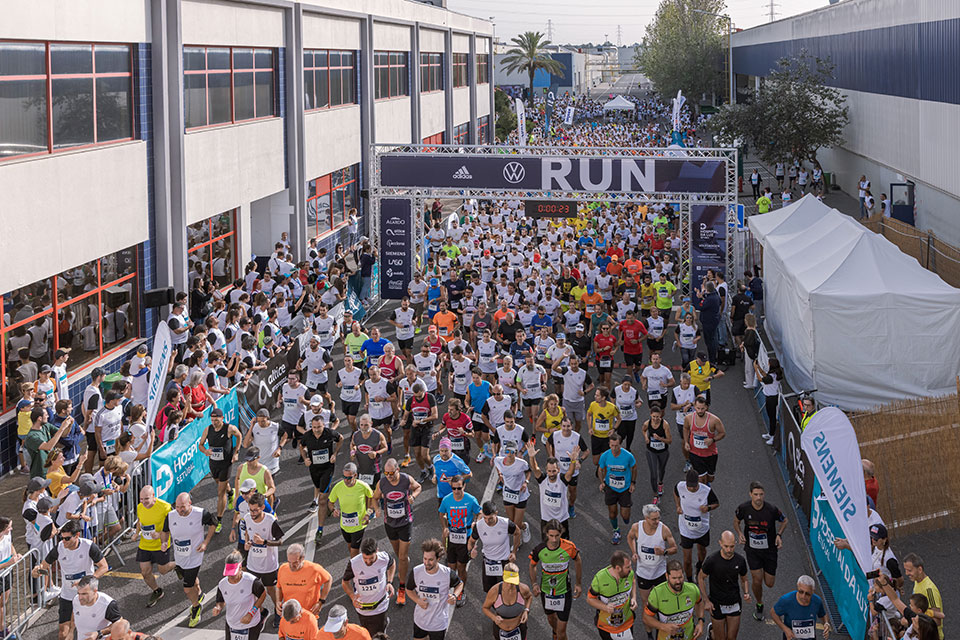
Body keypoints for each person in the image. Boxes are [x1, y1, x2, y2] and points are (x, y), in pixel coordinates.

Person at [34, 518, 110, 640]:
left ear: (77, 535)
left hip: (87, 595)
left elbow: (104, 566)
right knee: (63, 633)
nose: (64, 541)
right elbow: (44, 564)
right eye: (62, 538)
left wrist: (87, 582)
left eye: (67, 538)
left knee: (88, 633)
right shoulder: (59, 548)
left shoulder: (89, 546)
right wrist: (37, 570)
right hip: (67, 595)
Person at [162, 492, 218, 627]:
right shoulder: (171, 516)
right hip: (180, 557)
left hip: (194, 557)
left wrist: (205, 542)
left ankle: (196, 606)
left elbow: (214, 523)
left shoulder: (200, 513)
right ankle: (199, 594)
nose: (180, 510)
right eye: (177, 506)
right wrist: (164, 542)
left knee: (187, 589)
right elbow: (165, 531)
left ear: (190, 504)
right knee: (191, 581)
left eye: (183, 507)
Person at [372, 458, 422, 608]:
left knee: (402, 556)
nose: (389, 476)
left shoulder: (406, 480)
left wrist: (413, 496)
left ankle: (402, 587)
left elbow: (418, 487)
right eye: (386, 473)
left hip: (405, 522)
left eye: (392, 473)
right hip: (390, 523)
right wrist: (377, 509)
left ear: (397, 470)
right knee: (397, 553)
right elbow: (375, 497)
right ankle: (403, 565)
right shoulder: (383, 483)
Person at [734, 481, 787, 621]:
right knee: (757, 580)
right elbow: (736, 521)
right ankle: (759, 603)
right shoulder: (743, 508)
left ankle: (764, 573)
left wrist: (779, 535)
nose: (758, 497)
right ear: (750, 494)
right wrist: (739, 533)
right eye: (756, 494)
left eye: (761, 494)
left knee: (769, 583)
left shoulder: (771, 509)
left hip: (769, 550)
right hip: (752, 550)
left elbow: (784, 520)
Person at [528, 519, 582, 640]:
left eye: (557, 535)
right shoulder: (540, 549)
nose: (554, 539)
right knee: (551, 620)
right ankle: (555, 632)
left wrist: (578, 583)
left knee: (562, 632)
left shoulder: (569, 546)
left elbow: (578, 560)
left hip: (564, 591)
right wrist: (534, 584)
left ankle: (558, 634)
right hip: (547, 592)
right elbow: (532, 565)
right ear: (546, 534)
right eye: (551, 536)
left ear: (561, 533)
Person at [242, 491, 285, 628]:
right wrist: (247, 543)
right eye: (250, 510)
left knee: (271, 590)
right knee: (252, 591)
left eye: (255, 510)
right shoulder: (247, 517)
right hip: (253, 563)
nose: (252, 513)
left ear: (261, 507)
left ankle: (278, 611)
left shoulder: (270, 521)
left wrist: (264, 542)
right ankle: (261, 612)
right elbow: (248, 531)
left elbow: (280, 541)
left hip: (269, 565)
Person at [405, 538, 463, 640]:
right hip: (420, 620)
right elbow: (409, 589)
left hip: (438, 624)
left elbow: (460, 584)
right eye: (425, 559)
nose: (427, 563)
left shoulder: (447, 573)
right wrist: (418, 600)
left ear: (438, 559)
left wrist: (455, 595)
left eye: (430, 560)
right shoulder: (416, 571)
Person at [197, 407, 243, 532]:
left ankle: (218, 520)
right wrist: (205, 451)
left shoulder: (229, 428)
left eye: (216, 420)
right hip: (213, 463)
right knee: (220, 484)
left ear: (222, 419)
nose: (214, 423)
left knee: (219, 492)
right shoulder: (208, 429)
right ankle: (231, 493)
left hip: (225, 464)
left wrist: (236, 452)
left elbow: (239, 436)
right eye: (212, 420)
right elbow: (200, 445)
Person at [698, 531, 750, 640]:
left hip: (734, 602)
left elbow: (744, 579)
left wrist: (746, 592)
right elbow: (700, 577)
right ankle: (712, 632)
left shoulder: (740, 560)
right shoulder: (712, 560)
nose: (729, 550)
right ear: (720, 543)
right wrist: (706, 600)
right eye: (726, 546)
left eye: (731, 546)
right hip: (717, 603)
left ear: (735, 544)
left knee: (731, 638)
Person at [438, 476, 481, 605]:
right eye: (454, 488)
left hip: (465, 536)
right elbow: (441, 513)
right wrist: (445, 527)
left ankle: (461, 592)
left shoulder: (470, 500)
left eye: (459, 488)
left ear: (464, 486)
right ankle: (453, 588)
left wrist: (475, 522)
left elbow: (480, 513)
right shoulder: (447, 500)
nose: (456, 491)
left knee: (461, 567)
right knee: (451, 567)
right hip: (452, 536)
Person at [341, 537, 395, 636]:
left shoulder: (384, 557)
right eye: (365, 558)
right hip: (363, 609)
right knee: (366, 633)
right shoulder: (354, 563)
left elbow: (392, 564)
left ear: (377, 551)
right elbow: (345, 582)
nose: (368, 562)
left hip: (380, 605)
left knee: (379, 634)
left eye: (371, 558)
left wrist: (389, 582)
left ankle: (383, 625)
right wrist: (352, 597)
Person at [674, 468, 719, 583]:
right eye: (690, 486)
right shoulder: (680, 486)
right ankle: (689, 581)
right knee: (687, 559)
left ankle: (699, 566)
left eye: (694, 486)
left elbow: (716, 503)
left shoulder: (706, 491)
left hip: (702, 529)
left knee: (702, 551)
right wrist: (678, 506)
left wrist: (708, 508)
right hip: (686, 529)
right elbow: (675, 493)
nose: (692, 488)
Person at [643, 559, 705, 640]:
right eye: (674, 578)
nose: (678, 581)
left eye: (680, 577)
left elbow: (699, 603)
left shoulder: (692, 589)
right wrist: (663, 626)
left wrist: (700, 622)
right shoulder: (657, 593)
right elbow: (646, 618)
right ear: (667, 576)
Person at [213, 550, 268, 640]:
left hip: (250, 624)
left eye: (233, 573)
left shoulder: (251, 581)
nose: (231, 576)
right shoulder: (222, 584)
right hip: (231, 624)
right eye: (228, 573)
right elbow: (220, 600)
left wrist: (251, 613)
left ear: (240, 568)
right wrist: (218, 608)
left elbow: (262, 595)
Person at [469, 501, 521, 595]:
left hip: (504, 562)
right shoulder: (479, 526)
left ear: (496, 513)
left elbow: (517, 532)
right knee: (490, 591)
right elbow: (471, 541)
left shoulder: (505, 523)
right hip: (488, 562)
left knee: (507, 590)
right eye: (485, 518)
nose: (487, 521)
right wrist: (471, 551)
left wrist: (513, 552)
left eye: (490, 518)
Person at [135, 485, 174, 608]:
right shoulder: (140, 507)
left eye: (146, 499)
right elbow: (139, 521)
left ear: (153, 496)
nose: (143, 502)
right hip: (145, 545)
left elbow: (173, 525)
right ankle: (157, 591)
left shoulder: (165, 507)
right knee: (145, 572)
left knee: (163, 570)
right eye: (141, 499)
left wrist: (160, 534)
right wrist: (136, 534)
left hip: (160, 544)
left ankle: (177, 565)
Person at [587, 550, 637, 640]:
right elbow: (590, 599)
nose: (631, 569)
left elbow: (633, 581)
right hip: (606, 626)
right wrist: (605, 607)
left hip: (627, 622)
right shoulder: (599, 579)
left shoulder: (629, 574)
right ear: (618, 568)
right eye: (628, 567)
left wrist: (634, 598)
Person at [328, 463, 375, 558]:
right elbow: (330, 502)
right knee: (350, 546)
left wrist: (368, 513)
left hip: (359, 525)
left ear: (355, 475)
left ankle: (355, 569)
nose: (346, 480)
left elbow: (372, 498)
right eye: (344, 477)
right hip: (344, 525)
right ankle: (358, 562)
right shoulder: (338, 486)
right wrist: (333, 510)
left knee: (354, 550)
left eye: (349, 478)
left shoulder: (362, 486)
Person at [598, 433, 637, 545]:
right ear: (609, 445)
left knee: (625, 516)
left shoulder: (628, 456)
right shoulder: (605, 456)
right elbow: (600, 469)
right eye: (612, 445)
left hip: (624, 488)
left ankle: (626, 513)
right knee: (612, 512)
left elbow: (634, 467)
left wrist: (633, 483)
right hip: (610, 487)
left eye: (616, 445)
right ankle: (616, 531)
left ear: (620, 444)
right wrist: (602, 483)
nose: (614, 448)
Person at [546, 417, 588, 519]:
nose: (566, 428)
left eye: (568, 426)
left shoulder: (576, 437)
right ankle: (560, 508)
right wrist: (551, 455)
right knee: (559, 489)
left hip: (573, 470)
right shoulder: (555, 435)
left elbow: (586, 451)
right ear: (561, 426)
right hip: (559, 470)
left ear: (571, 426)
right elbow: (548, 443)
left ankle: (571, 505)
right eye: (564, 426)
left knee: (572, 490)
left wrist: (580, 460)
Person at [277, 543, 332, 618]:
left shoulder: (314, 569)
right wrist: (278, 601)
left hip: (308, 616)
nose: (291, 566)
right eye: (289, 562)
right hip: (290, 615)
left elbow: (328, 579)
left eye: (295, 562)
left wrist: (321, 602)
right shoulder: (282, 569)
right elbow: (279, 587)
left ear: (302, 558)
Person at [493, 441, 532, 545]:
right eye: (507, 451)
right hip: (508, 494)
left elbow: (529, 472)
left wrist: (526, 482)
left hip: (521, 495)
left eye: (512, 452)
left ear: (515, 452)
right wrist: (500, 474)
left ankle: (517, 542)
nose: (509, 454)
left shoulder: (522, 463)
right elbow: (496, 464)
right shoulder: (499, 460)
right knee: (511, 521)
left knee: (516, 524)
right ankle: (523, 528)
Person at [481, 563, 532, 640]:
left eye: (513, 582)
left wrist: (526, 610)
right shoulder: (494, 591)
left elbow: (529, 597)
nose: (510, 585)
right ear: (503, 576)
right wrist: (494, 617)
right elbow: (485, 608)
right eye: (508, 581)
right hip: (500, 630)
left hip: (519, 628)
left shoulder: (523, 588)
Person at [771, 575, 829, 640]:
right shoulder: (786, 600)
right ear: (797, 587)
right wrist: (785, 629)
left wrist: (826, 623)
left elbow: (823, 614)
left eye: (807, 594)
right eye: (801, 592)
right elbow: (773, 613)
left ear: (813, 591)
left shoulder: (817, 601)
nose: (803, 596)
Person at [683, 396, 725, 483]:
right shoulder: (689, 418)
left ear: (706, 407)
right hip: (695, 453)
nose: (700, 411)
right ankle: (704, 493)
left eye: (702, 408)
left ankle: (706, 486)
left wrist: (712, 440)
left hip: (710, 454)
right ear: (694, 407)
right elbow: (686, 428)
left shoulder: (714, 420)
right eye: (698, 408)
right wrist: (686, 442)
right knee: (701, 479)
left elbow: (722, 433)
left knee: (710, 479)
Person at [402, 383, 438, 483]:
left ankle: (431, 468)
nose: (417, 398)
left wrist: (422, 420)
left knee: (424, 454)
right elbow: (406, 414)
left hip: (427, 427)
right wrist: (404, 420)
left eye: (419, 396)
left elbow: (435, 416)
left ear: (423, 391)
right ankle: (423, 471)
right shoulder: (410, 400)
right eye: (415, 396)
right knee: (417, 454)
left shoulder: (430, 397)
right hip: (416, 428)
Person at [902, 553, 944, 640]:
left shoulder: (929, 590)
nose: (906, 573)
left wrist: (912, 622)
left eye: (909, 570)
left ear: (920, 569)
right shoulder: (917, 581)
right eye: (905, 570)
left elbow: (937, 621)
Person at [72, 575, 123, 640]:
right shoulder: (76, 600)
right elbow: (75, 613)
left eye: (84, 594)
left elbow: (119, 623)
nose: (80, 598)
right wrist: (71, 631)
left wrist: (99, 633)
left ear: (95, 591)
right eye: (79, 593)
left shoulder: (107, 604)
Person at [754, 358, 783, 446]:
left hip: (771, 398)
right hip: (772, 397)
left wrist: (755, 368)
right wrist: (759, 367)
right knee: (771, 417)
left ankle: (772, 436)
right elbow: (765, 375)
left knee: (772, 417)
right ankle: (770, 434)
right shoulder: (775, 374)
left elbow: (760, 379)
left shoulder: (771, 377)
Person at [588, 388, 620, 466]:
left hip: (607, 437)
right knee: (595, 462)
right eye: (595, 394)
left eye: (597, 395)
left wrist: (613, 429)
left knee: (606, 459)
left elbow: (619, 419)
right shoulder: (593, 405)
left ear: (603, 398)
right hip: (595, 436)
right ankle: (600, 467)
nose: (595, 396)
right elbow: (589, 415)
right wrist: (590, 427)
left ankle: (601, 471)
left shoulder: (612, 407)